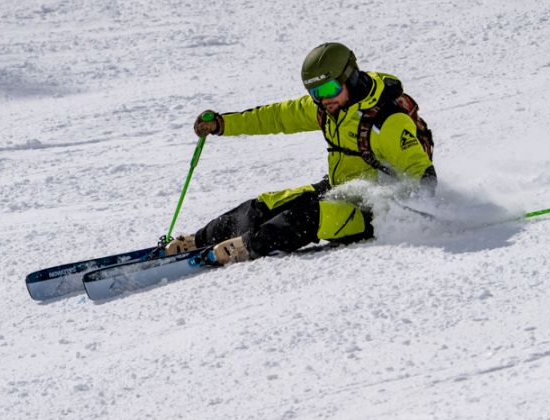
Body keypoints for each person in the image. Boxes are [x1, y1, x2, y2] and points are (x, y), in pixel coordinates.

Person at [166, 42, 437, 265]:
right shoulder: (325, 109)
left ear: (350, 77)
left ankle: (242, 248)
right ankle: (198, 239)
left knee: (306, 217)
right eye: (316, 92)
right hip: (342, 187)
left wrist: (408, 215)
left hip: (374, 211)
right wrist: (223, 124)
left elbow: (422, 174)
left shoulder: (386, 121)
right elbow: (275, 117)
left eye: (330, 89)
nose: (324, 98)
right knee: (265, 206)